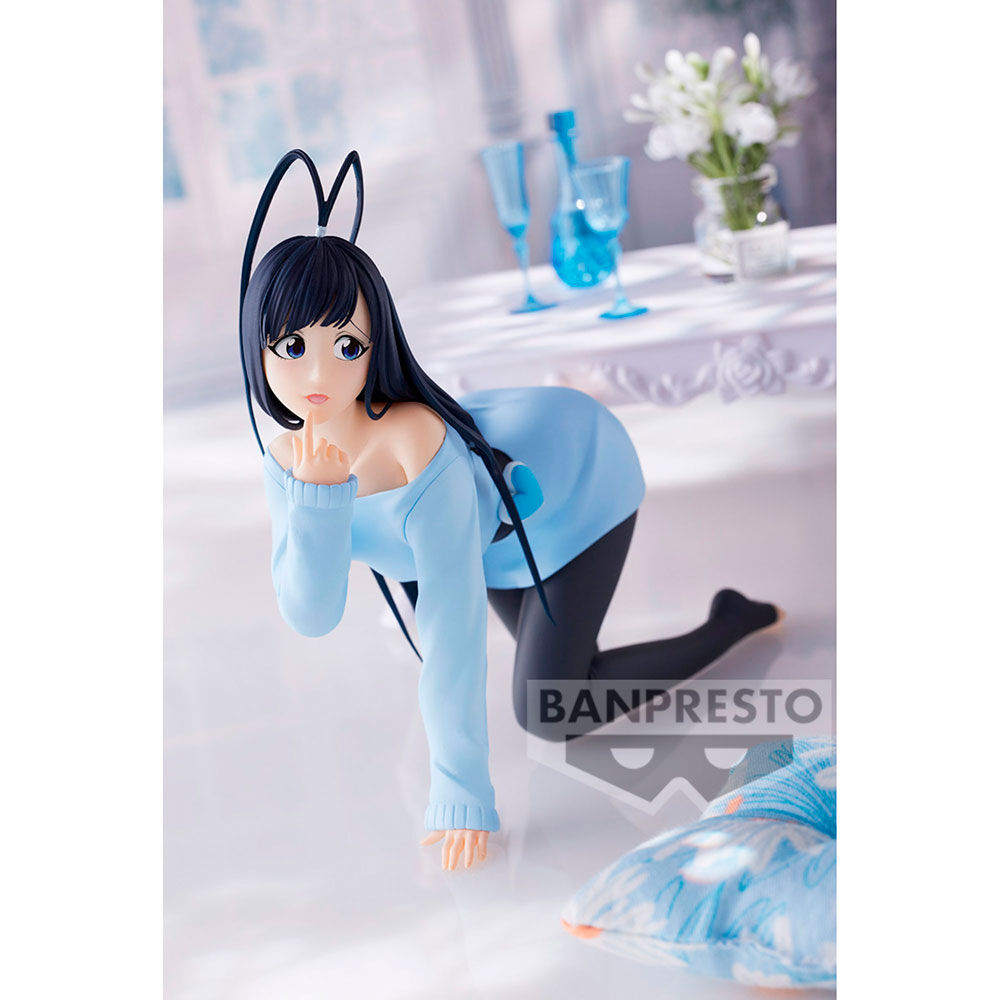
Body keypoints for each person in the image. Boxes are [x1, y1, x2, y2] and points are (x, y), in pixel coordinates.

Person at [240, 150, 783, 873]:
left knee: (549, 711)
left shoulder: (414, 445)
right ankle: (637, 640)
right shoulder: (286, 461)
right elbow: (310, 613)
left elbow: (452, 628)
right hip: (493, 534)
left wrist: (460, 794)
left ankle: (729, 622)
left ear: (377, 344)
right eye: (290, 346)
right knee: (560, 678)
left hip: (576, 479)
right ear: (256, 343)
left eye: (346, 345)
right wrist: (316, 497)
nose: (318, 373)